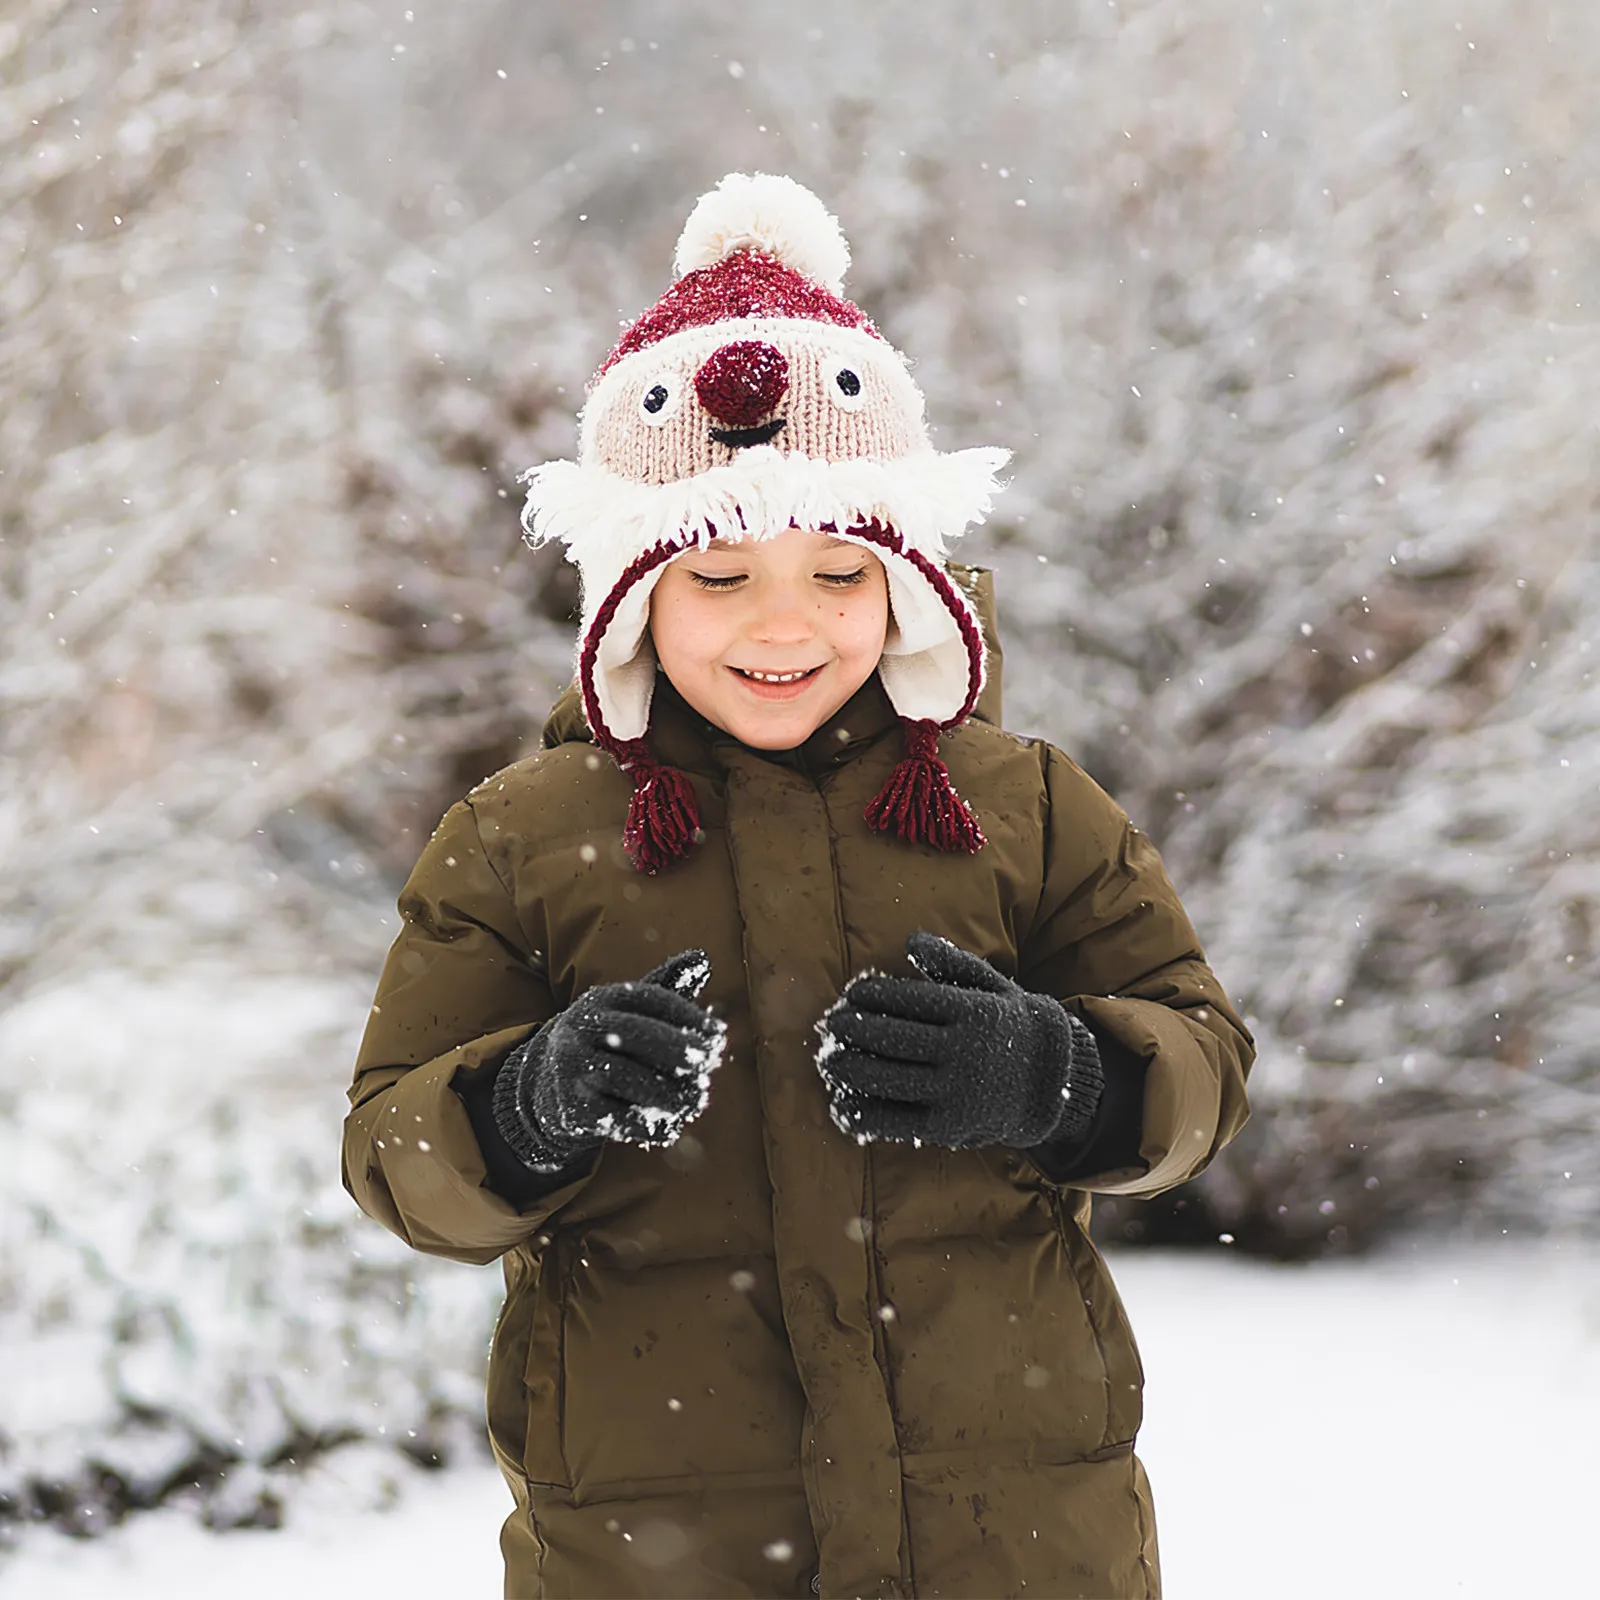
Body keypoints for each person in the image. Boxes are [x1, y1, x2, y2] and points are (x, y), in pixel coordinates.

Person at [342, 172, 1253, 1600]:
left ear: (908, 582)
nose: (786, 625)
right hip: (659, 1546)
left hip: (1009, 1539)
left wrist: (1066, 1081)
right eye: (717, 577)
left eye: (839, 569)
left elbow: (1203, 1065)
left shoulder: (1022, 806)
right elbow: (393, 1150)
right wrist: (524, 1107)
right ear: (632, 597)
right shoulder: (521, 838)